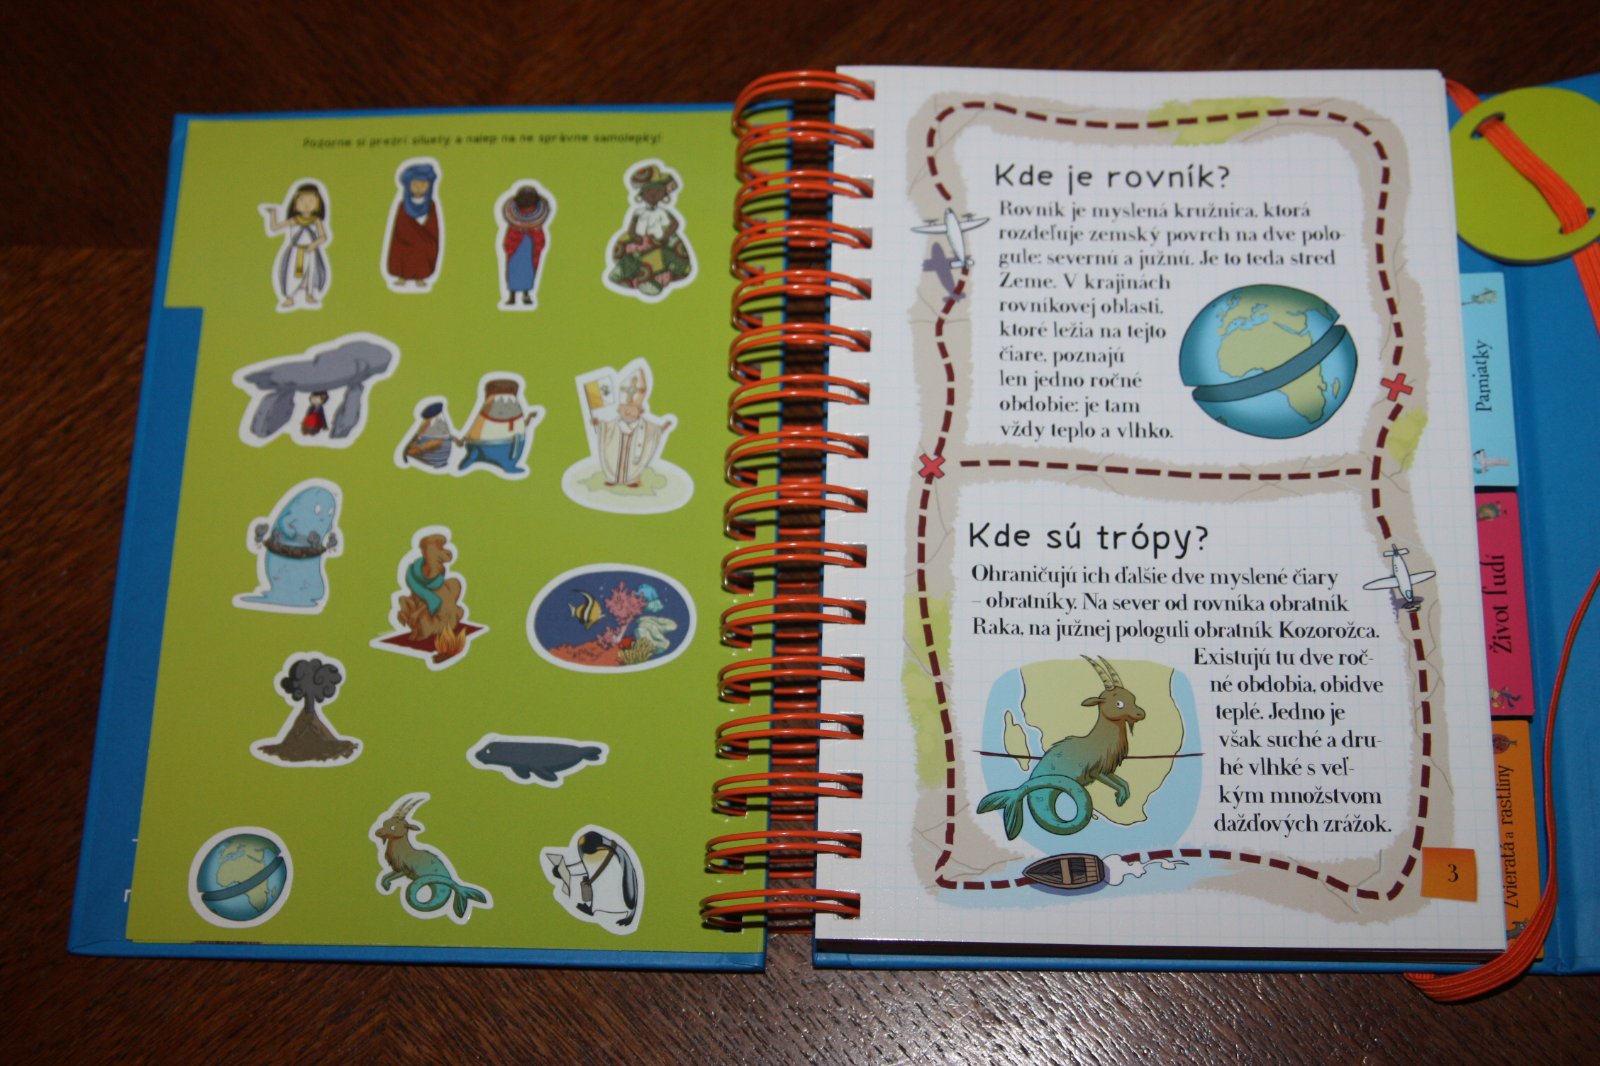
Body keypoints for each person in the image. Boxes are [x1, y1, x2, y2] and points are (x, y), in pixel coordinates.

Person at [608, 163, 693, 297]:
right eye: (649, 191)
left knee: (660, 257)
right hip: (641, 241)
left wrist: (666, 236)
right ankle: (624, 270)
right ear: (642, 194)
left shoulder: (663, 212)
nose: (653, 194)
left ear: (664, 194)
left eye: (658, 191)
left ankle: (651, 281)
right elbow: (631, 228)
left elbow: (675, 224)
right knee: (633, 256)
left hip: (660, 241)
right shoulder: (638, 212)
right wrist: (636, 238)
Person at [592, 368, 671, 487]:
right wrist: (598, 424)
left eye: (632, 408)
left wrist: (662, 428)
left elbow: (653, 432)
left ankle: (632, 480)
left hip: (634, 452)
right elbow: (606, 427)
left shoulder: (644, 426)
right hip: (617, 448)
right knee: (614, 458)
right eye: (625, 408)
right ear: (619, 409)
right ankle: (612, 477)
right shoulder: (615, 424)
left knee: (631, 463)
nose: (628, 411)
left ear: (640, 411)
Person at [260, 182, 330, 309]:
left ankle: (309, 295)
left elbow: (323, 237)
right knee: (290, 274)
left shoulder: (316, 221)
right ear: (295, 203)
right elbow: (275, 228)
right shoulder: (295, 220)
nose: (306, 204)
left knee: (310, 273)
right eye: (302, 200)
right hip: (295, 251)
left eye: (311, 201)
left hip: (310, 252)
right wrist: (273, 214)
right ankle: (289, 297)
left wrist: (313, 245)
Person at [387, 161, 441, 287]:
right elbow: (401, 226)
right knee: (404, 252)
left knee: (422, 251)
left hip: (425, 241)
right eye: (415, 184)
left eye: (423, 184)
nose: (419, 187)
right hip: (406, 240)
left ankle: (420, 277)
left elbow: (433, 226)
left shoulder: (430, 205)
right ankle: (403, 277)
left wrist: (424, 238)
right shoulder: (403, 205)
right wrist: (414, 236)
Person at [500, 185, 550, 306]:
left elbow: (540, 239)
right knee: (513, 271)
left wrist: (535, 241)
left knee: (528, 272)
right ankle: (512, 295)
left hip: (530, 251)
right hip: (516, 250)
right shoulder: (514, 225)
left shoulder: (536, 225)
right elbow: (509, 240)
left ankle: (526, 294)